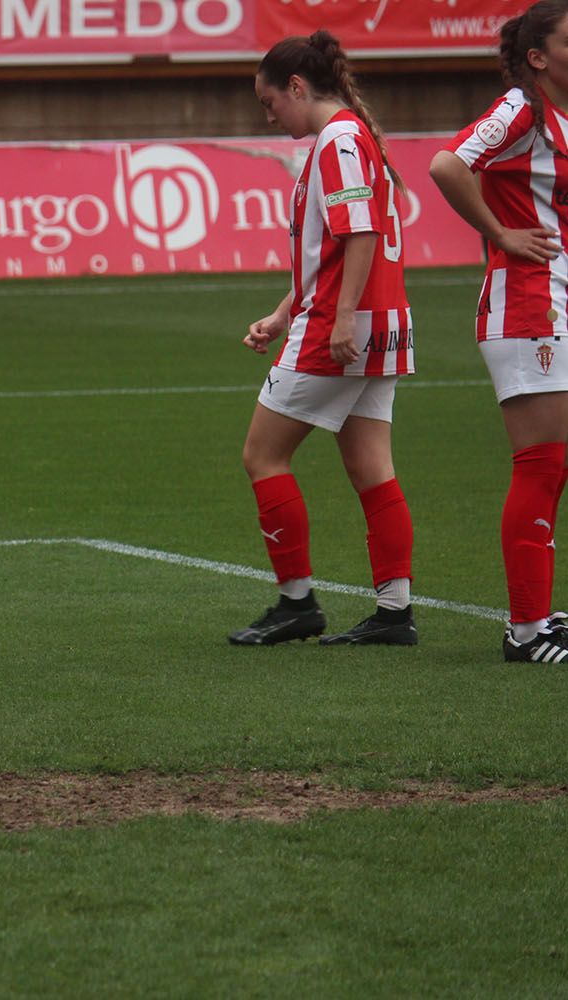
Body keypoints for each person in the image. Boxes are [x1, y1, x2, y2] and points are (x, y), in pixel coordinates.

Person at [228, 31, 417, 647]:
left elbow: (358, 234)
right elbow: (332, 248)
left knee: (263, 455)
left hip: (344, 327)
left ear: (298, 87)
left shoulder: (336, 141)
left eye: (270, 102)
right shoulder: (353, 136)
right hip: (381, 323)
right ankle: (394, 613)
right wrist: (285, 312)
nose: (270, 114)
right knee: (372, 468)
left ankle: (296, 602)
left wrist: (336, 320)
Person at [429, 0, 568, 664]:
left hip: (556, 304)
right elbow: (447, 165)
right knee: (542, 465)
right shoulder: (520, 108)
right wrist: (501, 234)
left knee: (554, 466)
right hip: (527, 307)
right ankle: (526, 632)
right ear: (539, 57)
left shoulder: (560, 117)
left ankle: (541, 614)